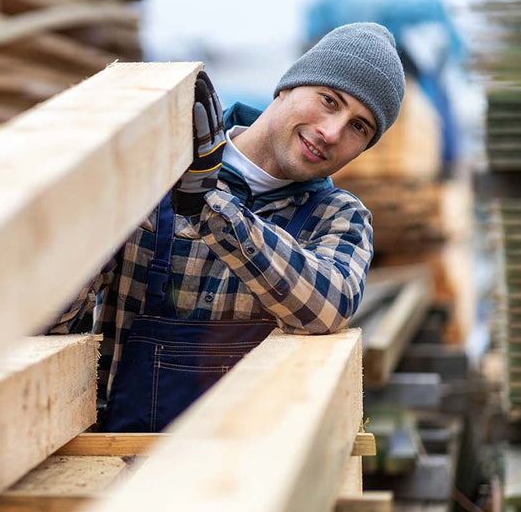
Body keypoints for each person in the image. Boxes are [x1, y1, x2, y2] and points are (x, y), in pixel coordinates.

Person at [50, 22, 406, 433]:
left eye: (359, 127)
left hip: (244, 479)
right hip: (117, 463)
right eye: (329, 100)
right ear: (287, 87)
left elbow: (329, 306)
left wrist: (208, 200)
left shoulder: (339, 217)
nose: (331, 132)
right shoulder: (159, 173)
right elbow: (52, 320)